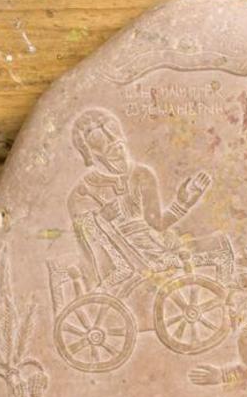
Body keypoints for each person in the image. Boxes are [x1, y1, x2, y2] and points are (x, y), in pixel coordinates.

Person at [67, 108, 211, 288]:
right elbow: (85, 245)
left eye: (118, 142)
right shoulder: (82, 193)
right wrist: (101, 219)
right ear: (90, 155)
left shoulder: (142, 175)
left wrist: (183, 203)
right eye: (104, 144)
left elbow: (157, 224)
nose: (118, 150)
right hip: (122, 262)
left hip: (154, 249)